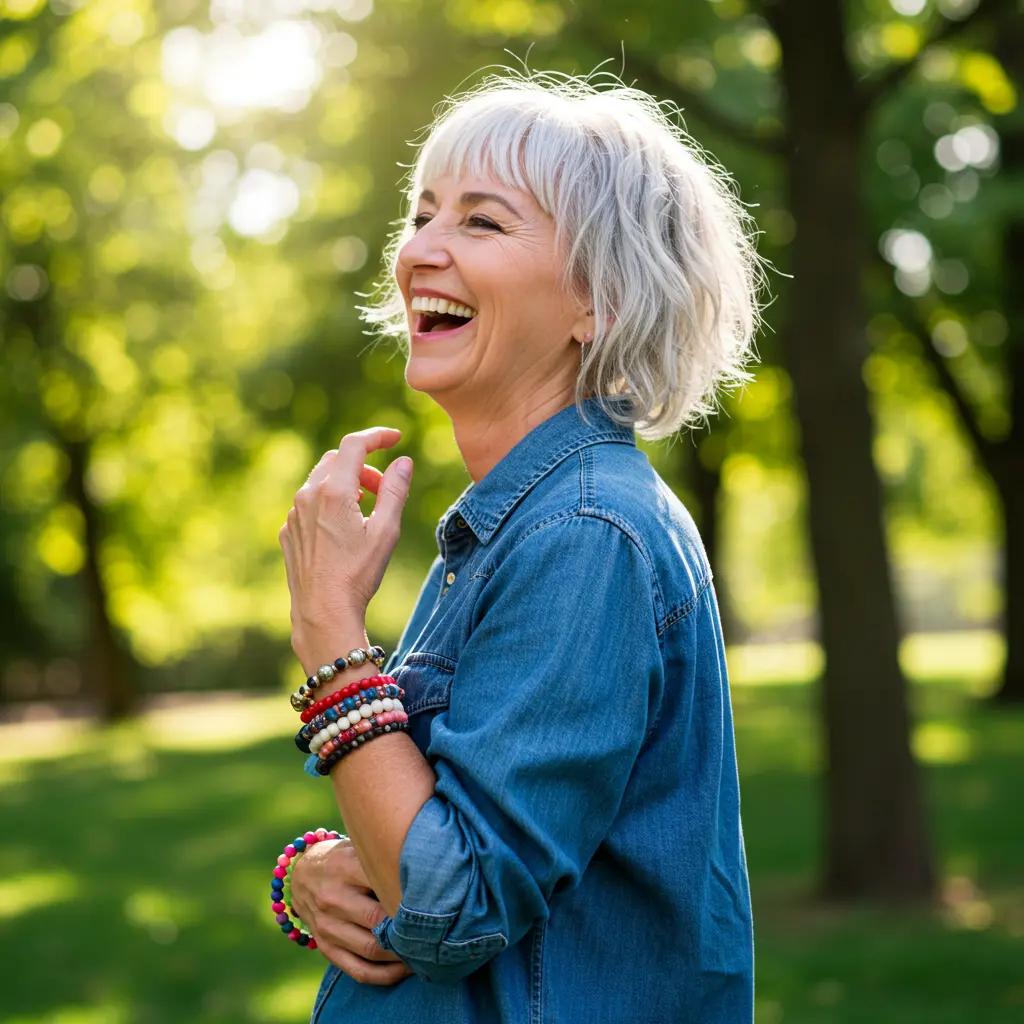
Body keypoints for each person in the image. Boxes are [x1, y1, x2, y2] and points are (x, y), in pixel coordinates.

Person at [277, 70, 763, 1024]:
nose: (420, 249)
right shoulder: (527, 522)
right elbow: (441, 839)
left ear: (599, 302)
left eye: (481, 223)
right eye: (422, 215)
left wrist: (329, 629)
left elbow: (452, 908)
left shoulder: (584, 534)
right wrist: (311, 875)